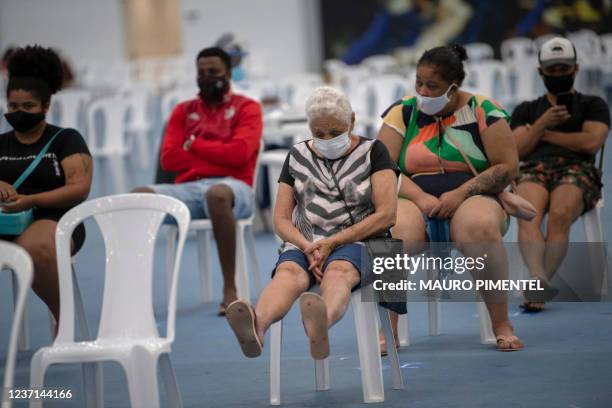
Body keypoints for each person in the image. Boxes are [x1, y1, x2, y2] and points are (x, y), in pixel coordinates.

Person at [225, 86, 398, 359]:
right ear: (309, 127)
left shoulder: (374, 151)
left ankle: (321, 324)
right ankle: (256, 327)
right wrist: (307, 246)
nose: (327, 139)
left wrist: (332, 242)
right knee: (288, 274)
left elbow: (387, 214)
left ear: (352, 121)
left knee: (338, 271)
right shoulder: (296, 155)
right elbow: (280, 220)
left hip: (361, 241)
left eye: (335, 132)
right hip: (308, 242)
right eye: (319, 133)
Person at [378, 44, 524, 351]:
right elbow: (380, 167)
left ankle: (501, 321)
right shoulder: (402, 111)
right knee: (391, 235)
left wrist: (460, 193)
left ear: (453, 87)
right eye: (418, 82)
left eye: (432, 86)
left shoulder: (484, 110)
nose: (422, 90)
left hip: (474, 193)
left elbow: (507, 167)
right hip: (412, 196)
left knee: (480, 228)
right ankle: (385, 329)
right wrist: (419, 197)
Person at [132, 47, 263, 315]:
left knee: (216, 194)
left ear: (228, 73)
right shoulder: (183, 111)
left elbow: (240, 154)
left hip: (236, 189)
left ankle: (230, 290)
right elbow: (169, 160)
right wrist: (217, 154)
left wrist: (195, 145)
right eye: (201, 73)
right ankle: (134, 292)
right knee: (138, 196)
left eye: (213, 72)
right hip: (189, 190)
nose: (206, 77)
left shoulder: (247, 108)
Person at [510, 37, 610, 312]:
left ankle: (539, 282)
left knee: (560, 214)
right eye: (552, 70)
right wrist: (542, 122)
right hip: (534, 169)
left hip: (579, 170)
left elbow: (591, 143)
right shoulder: (526, 110)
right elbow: (517, 150)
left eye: (563, 69)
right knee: (526, 214)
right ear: (541, 72)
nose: (558, 74)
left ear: (575, 69)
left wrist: (542, 133)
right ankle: (538, 280)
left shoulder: (594, 104)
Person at [0, 45, 93, 326]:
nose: (19, 113)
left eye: (28, 107)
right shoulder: (1, 142)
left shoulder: (66, 139)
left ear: (45, 106)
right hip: (8, 221)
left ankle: (63, 320)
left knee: (36, 247)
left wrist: (31, 200)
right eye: (13, 107)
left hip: (57, 217)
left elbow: (80, 188)